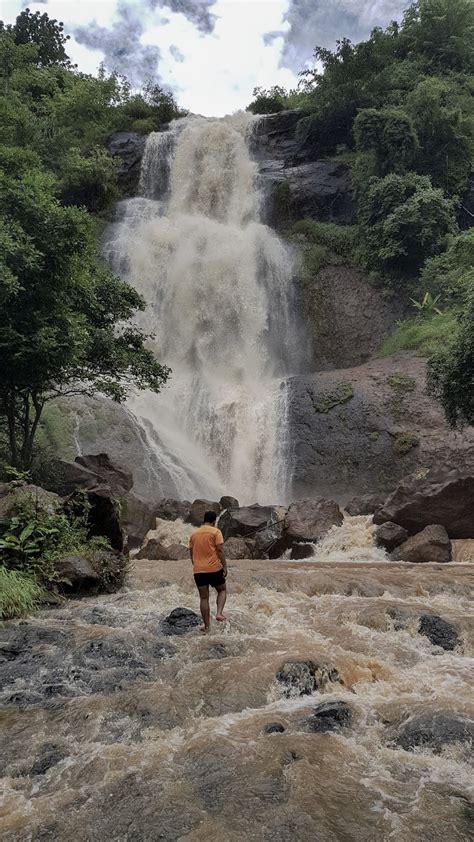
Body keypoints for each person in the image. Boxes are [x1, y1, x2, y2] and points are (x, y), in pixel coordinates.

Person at [189, 510, 227, 633]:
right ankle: (219, 613)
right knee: (222, 589)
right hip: (214, 568)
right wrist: (225, 566)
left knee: (204, 598)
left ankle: (206, 627)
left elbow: (191, 552)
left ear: (204, 520)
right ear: (214, 521)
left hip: (198, 570)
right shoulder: (216, 532)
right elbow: (220, 550)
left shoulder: (194, 534)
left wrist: (196, 565)